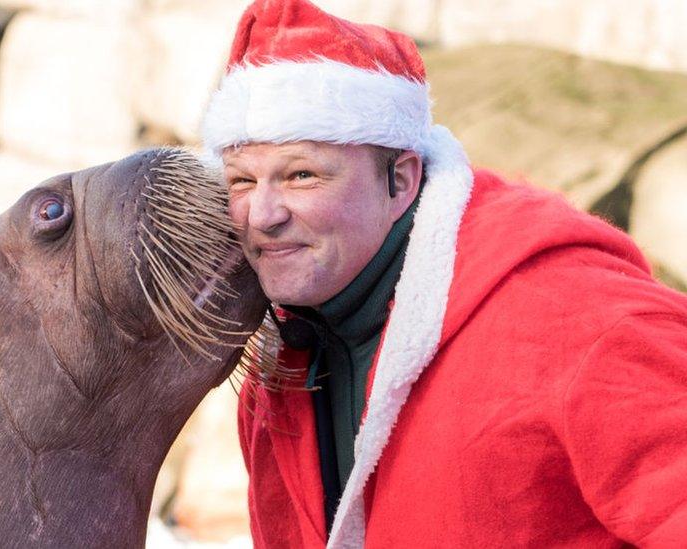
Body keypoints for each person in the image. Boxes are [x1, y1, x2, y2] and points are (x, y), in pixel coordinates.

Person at [198, 0, 687, 547]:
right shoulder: (281, 367)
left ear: (401, 180)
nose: (262, 216)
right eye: (241, 181)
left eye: (302, 175)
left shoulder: (580, 322)